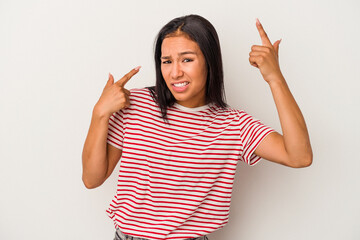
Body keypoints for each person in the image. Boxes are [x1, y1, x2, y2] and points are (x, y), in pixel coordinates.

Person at [82, 14, 312, 240]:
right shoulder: (135, 105)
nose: (175, 72)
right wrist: (99, 114)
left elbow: (299, 156)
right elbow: (92, 179)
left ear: (209, 61)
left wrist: (275, 78)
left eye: (187, 59)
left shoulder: (234, 125)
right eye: (167, 61)